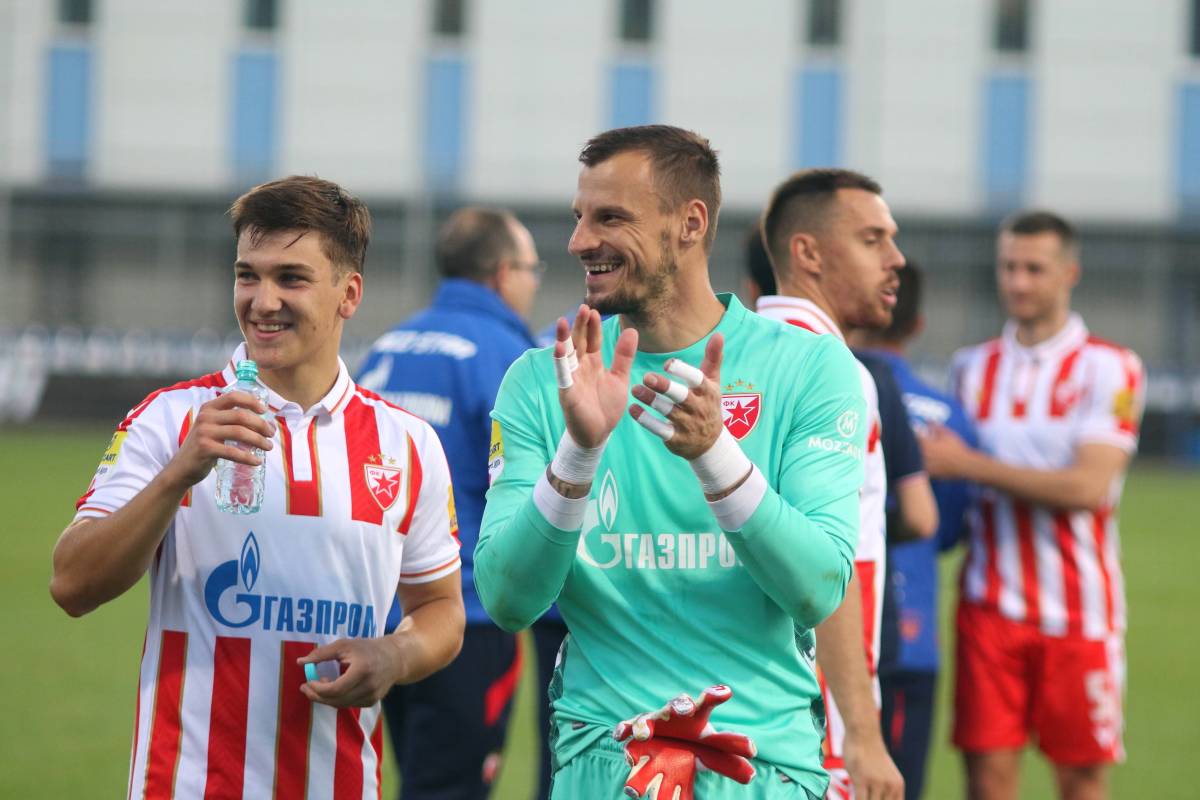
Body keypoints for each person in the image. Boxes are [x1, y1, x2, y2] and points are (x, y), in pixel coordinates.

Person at [475, 124, 869, 799]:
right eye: (579, 218)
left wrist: (718, 457)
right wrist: (578, 454)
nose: (578, 242)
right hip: (605, 766)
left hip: (760, 767)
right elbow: (508, 600)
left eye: (611, 218)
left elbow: (818, 587)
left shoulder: (807, 366)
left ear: (690, 224)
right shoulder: (543, 382)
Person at [50, 176, 465, 798]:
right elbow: (72, 584)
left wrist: (394, 657)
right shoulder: (168, 420)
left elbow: (439, 610)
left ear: (348, 293)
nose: (262, 301)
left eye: (290, 278)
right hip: (186, 786)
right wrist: (177, 475)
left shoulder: (406, 444)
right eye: (248, 275)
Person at [920, 211, 1145, 800]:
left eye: (1034, 269)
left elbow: (1088, 487)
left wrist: (969, 465)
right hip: (988, 607)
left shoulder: (1110, 367)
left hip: (1080, 614)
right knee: (987, 781)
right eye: (1009, 267)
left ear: (1069, 273)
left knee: (1081, 781)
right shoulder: (972, 367)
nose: (1018, 282)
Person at [356, 206, 565, 800]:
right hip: (464, 619)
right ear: (502, 273)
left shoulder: (388, 347)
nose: (533, 281)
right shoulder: (509, 358)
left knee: (415, 781)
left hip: (380, 612)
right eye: (531, 268)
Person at [758, 168, 938, 800]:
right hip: (811, 721)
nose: (896, 260)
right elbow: (829, 565)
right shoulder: (834, 372)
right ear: (807, 253)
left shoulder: (726, 355)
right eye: (872, 240)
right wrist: (859, 737)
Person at [852, 262, 978, 800]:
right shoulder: (949, 416)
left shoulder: (829, 384)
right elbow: (946, 528)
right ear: (918, 323)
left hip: (832, 626)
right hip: (909, 634)